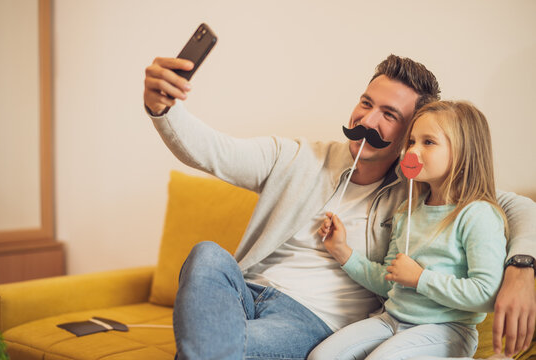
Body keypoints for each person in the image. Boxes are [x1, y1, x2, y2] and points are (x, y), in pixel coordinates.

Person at [143, 54, 536, 359]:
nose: (366, 119)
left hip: (312, 319)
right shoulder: (297, 156)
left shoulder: (418, 190)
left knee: (214, 343)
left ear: (410, 135)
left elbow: (512, 206)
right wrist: (164, 108)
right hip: (245, 292)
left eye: (389, 115)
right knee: (207, 255)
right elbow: (213, 152)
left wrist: (522, 267)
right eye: (366, 103)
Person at [309, 100, 507, 359]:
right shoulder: (407, 211)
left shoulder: (477, 215)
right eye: (412, 141)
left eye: (428, 142)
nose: (412, 150)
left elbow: (486, 295)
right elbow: (389, 281)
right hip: (392, 320)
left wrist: (420, 278)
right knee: (320, 357)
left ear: (464, 151)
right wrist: (342, 251)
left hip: (447, 330)